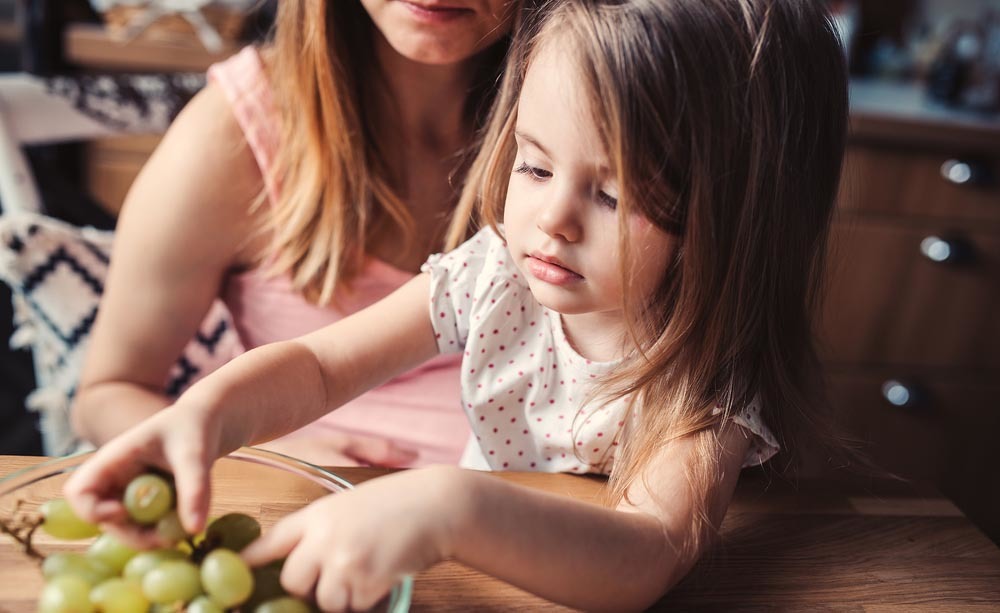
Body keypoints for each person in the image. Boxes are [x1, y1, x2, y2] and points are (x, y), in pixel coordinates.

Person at [65, 0, 853, 609]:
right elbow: (316, 366)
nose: (554, 220)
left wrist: (444, 504)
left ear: (732, 223)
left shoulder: (702, 374)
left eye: (613, 193)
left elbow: (647, 552)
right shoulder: (497, 275)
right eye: (535, 167)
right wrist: (212, 415)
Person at [70, 0, 526, 467]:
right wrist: (268, 457)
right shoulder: (234, 133)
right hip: (324, 511)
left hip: (543, 516)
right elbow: (105, 397)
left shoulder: (588, 115)